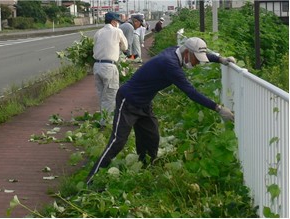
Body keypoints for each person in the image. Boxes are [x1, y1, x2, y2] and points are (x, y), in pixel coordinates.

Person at [86, 37, 236, 185]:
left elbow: (203, 54)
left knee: (151, 138)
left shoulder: (175, 52)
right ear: (186, 53)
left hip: (144, 103)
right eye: (196, 59)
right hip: (128, 101)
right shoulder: (170, 64)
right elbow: (191, 92)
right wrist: (218, 108)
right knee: (118, 141)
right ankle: (92, 179)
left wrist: (220, 59)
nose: (196, 63)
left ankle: (145, 171)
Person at [93, 12, 128, 126]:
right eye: (117, 22)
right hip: (109, 67)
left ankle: (103, 119)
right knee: (110, 96)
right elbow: (125, 47)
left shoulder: (98, 32)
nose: (118, 24)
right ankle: (106, 123)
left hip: (97, 66)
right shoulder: (117, 31)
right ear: (113, 22)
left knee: (102, 96)